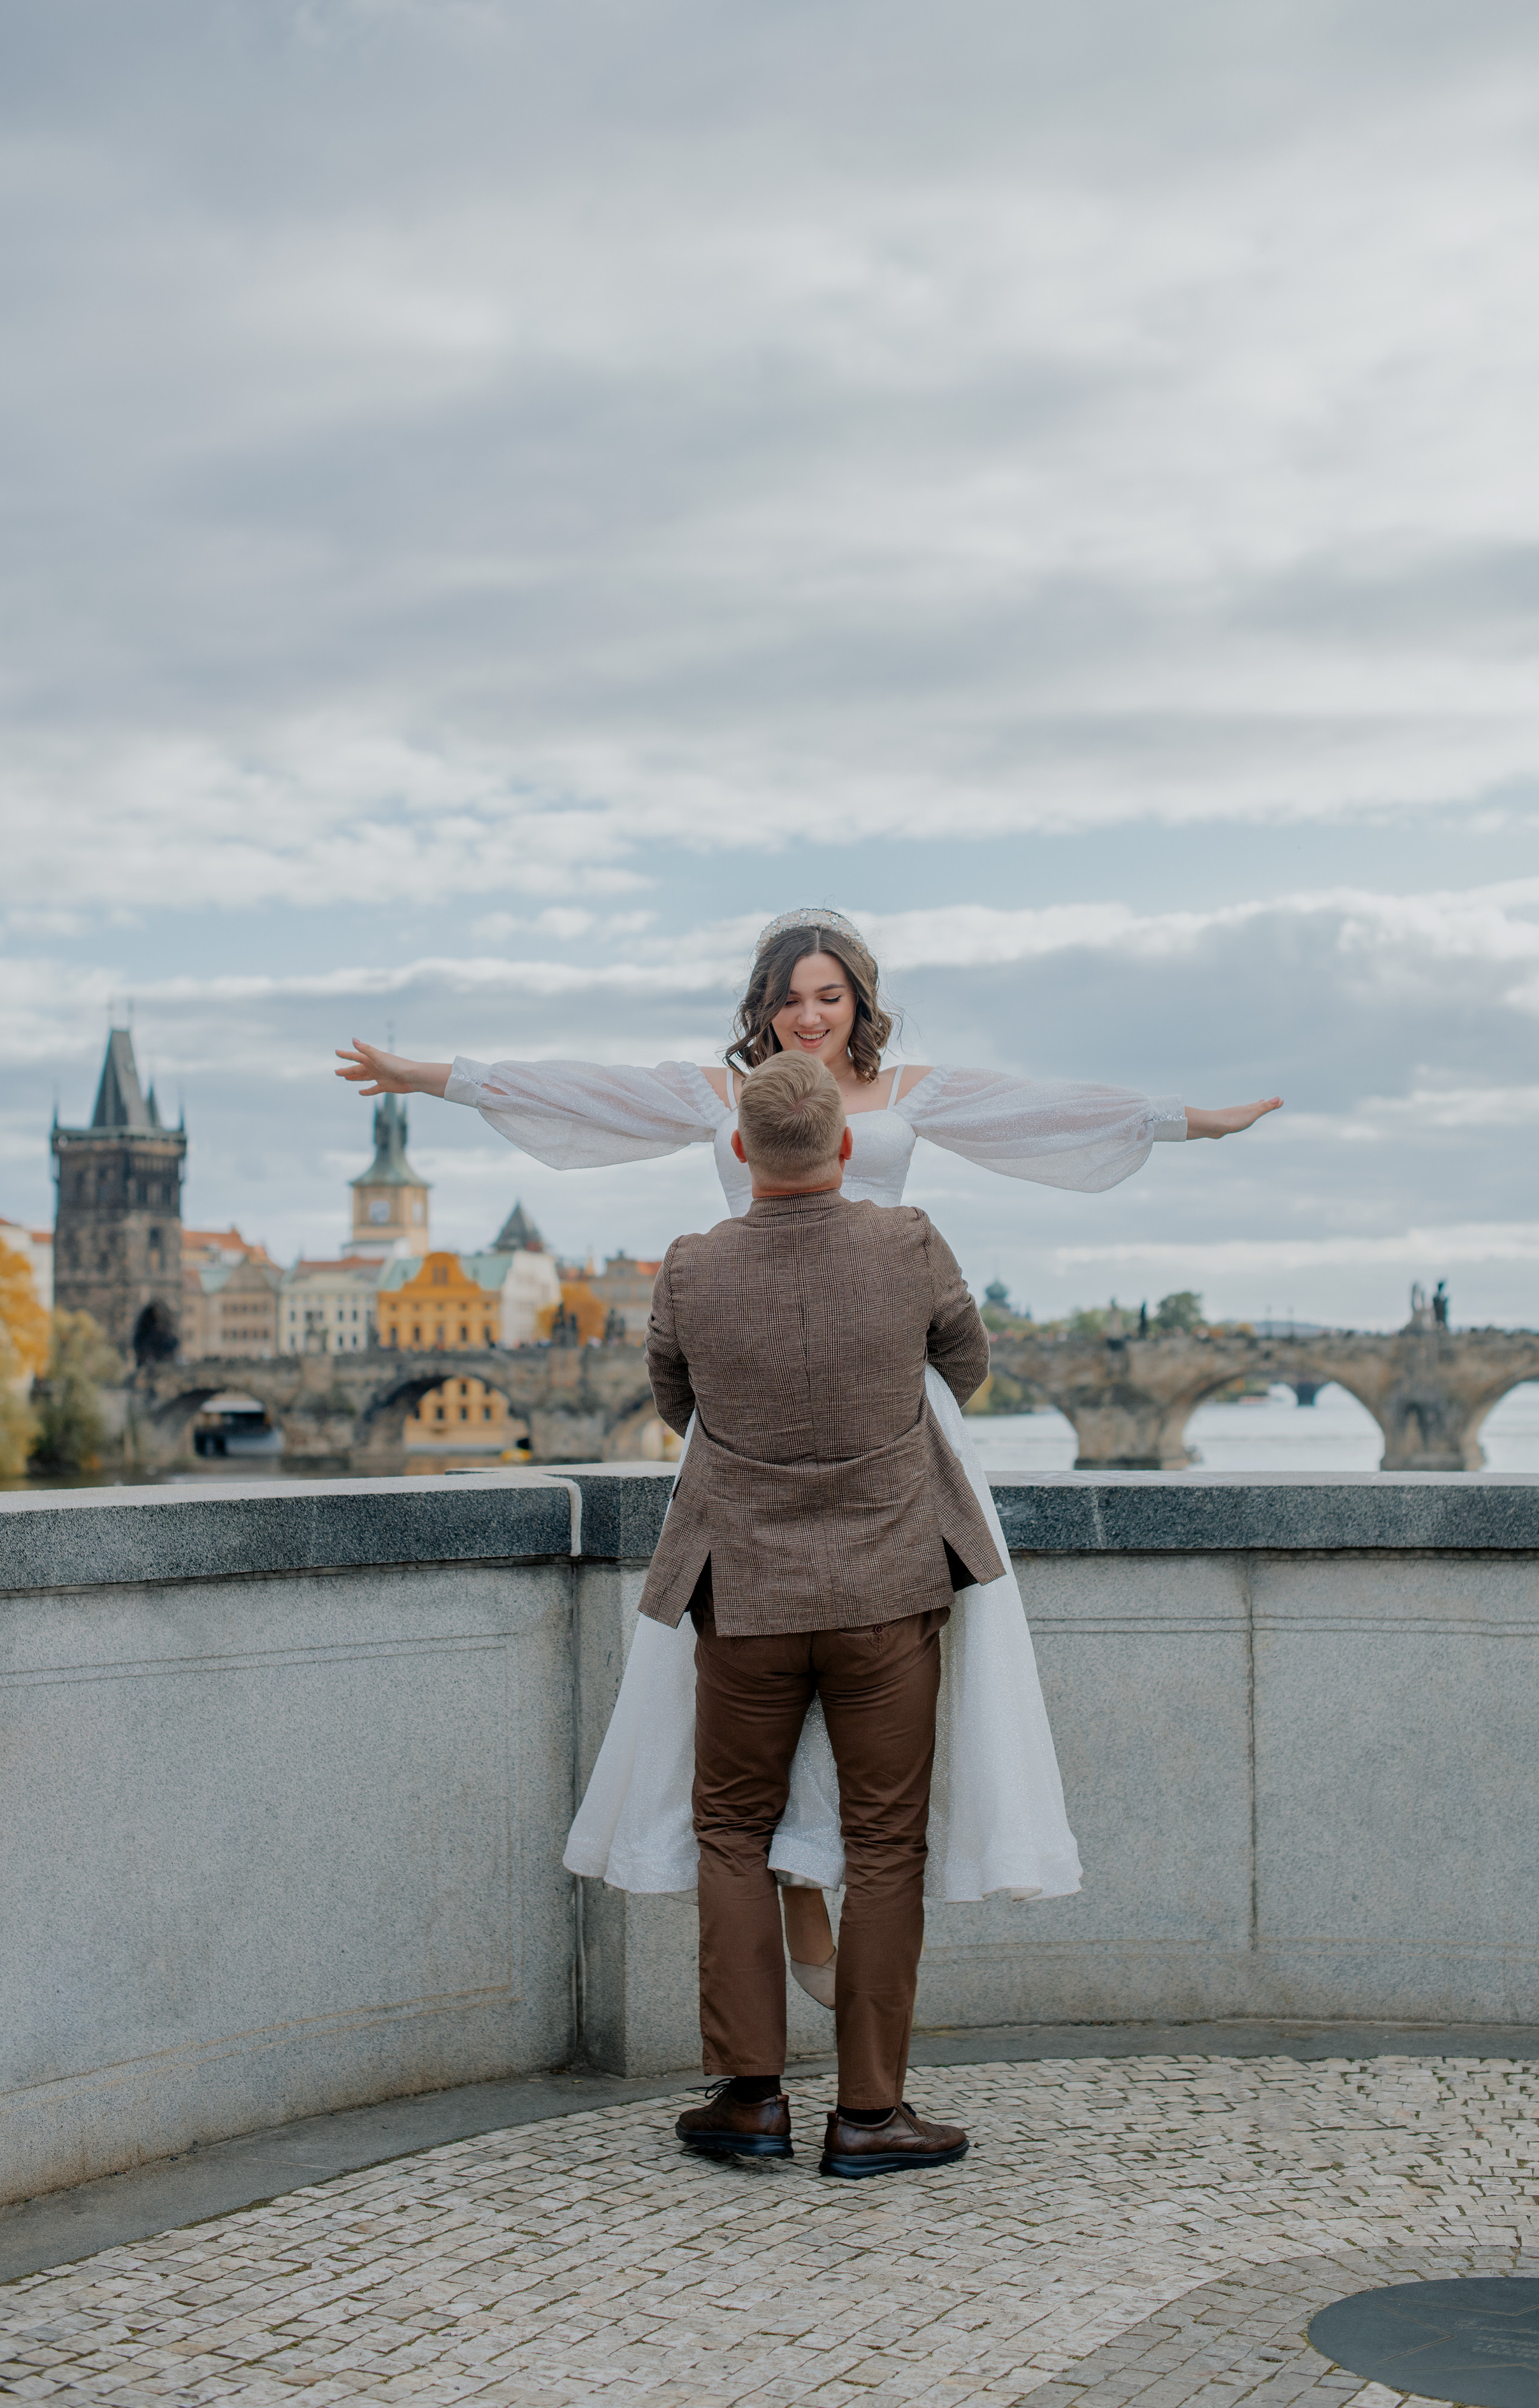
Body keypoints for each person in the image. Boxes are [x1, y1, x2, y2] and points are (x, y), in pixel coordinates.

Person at [335, 905, 1280, 2000]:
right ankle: (795, 1888)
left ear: (859, 1004)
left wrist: (1183, 1120)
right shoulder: (724, 1093)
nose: (808, 1015)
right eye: (790, 997)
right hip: (760, 1426)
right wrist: (432, 1076)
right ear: (765, 1008)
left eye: (828, 996)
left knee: (890, 1663)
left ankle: (838, 1897)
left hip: (892, 1414)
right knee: (754, 1671)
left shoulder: (911, 1092)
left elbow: (1046, 1112)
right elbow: (580, 1087)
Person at [651, 1048, 991, 2171]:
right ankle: (870, 2114)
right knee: (886, 1843)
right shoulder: (907, 1241)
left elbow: (675, 1400)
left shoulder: (691, 1268)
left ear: (742, 1151)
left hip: (744, 1594)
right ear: (846, 1146)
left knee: (733, 1833)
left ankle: (750, 2100)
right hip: (890, 1585)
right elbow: (966, 1364)